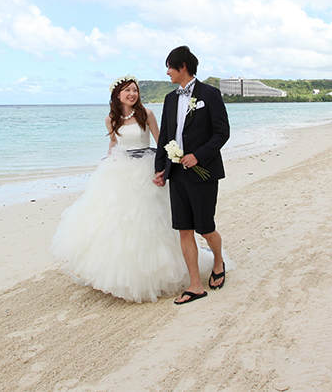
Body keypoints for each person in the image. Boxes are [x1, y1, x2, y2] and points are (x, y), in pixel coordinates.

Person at [51, 75, 213, 303]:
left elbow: (160, 141)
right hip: (121, 170)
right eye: (127, 90)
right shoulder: (110, 119)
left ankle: (160, 274)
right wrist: (109, 160)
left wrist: (164, 169)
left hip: (145, 168)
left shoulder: (145, 114)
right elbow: (114, 143)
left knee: (151, 222)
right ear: (118, 95)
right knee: (118, 223)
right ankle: (118, 274)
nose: (132, 94)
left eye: (135, 90)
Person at [153, 45, 230, 304]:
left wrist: (199, 155)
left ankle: (218, 261)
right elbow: (165, 135)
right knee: (184, 230)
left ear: (182, 66)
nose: (167, 73)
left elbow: (222, 132)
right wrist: (160, 168)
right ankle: (195, 284)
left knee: (205, 228)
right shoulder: (169, 99)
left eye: (170, 67)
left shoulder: (210, 94)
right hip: (177, 175)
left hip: (203, 172)